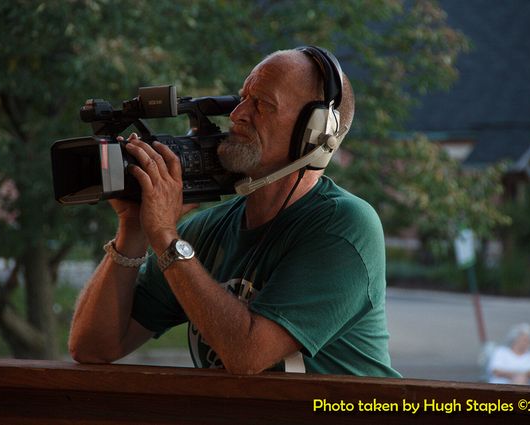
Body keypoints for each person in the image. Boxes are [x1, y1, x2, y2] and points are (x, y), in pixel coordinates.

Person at [68, 46, 400, 377]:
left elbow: (248, 354)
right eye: (242, 98)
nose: (238, 114)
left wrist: (166, 237)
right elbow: (92, 347)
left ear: (314, 133)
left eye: (262, 104)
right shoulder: (207, 231)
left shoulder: (344, 227)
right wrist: (135, 228)